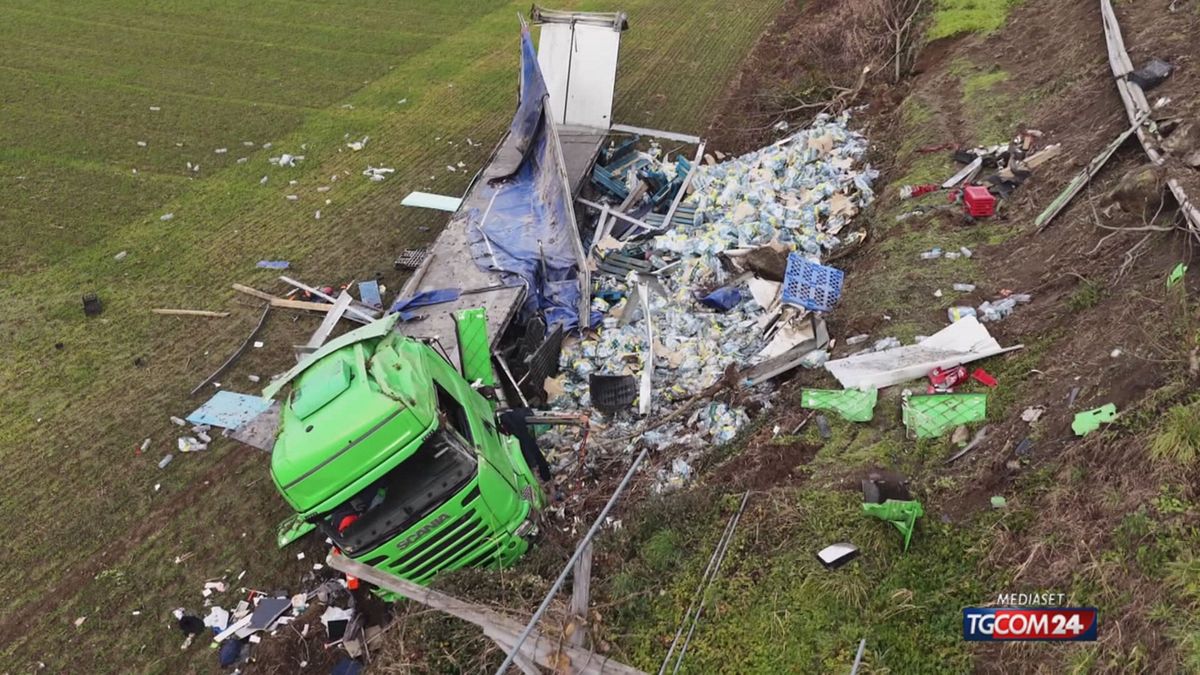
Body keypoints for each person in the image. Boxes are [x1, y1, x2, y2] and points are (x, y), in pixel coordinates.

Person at [496, 408, 552, 481]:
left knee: (535, 453)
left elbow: (526, 443)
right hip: (527, 414)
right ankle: (545, 475)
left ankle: (545, 476)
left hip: (527, 423)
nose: (509, 434)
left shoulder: (514, 427)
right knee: (536, 453)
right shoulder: (508, 418)